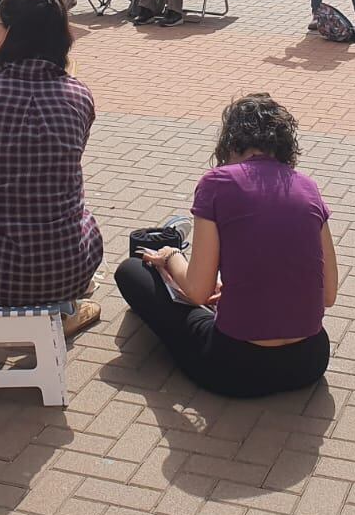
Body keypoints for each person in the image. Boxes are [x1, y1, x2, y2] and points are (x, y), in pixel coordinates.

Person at [115, 93, 335, 398]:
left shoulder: (217, 183)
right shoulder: (308, 187)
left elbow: (197, 292)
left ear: (231, 142)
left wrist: (171, 256)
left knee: (131, 271)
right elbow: (329, 294)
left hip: (235, 366)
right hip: (310, 360)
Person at [0, 0, 102, 332]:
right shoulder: (79, 96)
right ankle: (67, 311)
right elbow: (68, 163)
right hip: (65, 269)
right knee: (78, 209)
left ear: (14, 34)